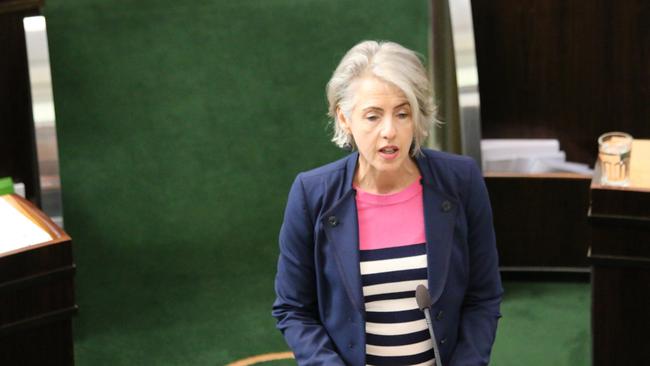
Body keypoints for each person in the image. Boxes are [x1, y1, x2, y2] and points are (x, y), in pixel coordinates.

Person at [272, 40, 503, 366]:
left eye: (402, 113)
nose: (389, 131)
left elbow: (483, 297)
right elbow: (293, 309)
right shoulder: (312, 194)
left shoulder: (461, 181)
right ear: (344, 118)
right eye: (372, 116)